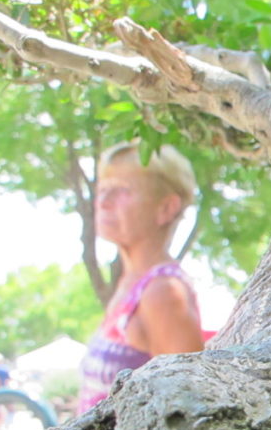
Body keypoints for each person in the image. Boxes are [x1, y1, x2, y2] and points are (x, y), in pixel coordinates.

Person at [77, 141, 204, 414]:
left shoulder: (163, 292)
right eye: (102, 189)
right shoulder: (129, 285)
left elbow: (189, 411)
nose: (103, 201)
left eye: (121, 190)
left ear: (166, 208)